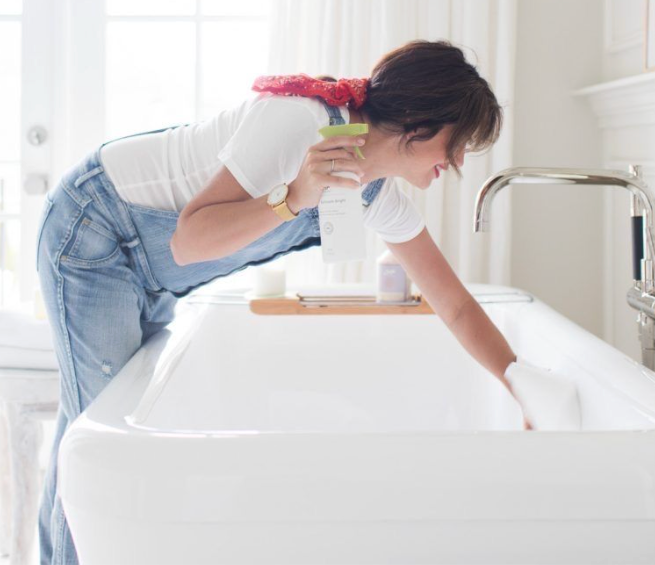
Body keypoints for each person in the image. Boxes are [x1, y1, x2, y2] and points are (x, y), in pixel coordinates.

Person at [35, 38, 527, 565]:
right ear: (419, 123)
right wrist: (292, 197)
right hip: (95, 225)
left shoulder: (375, 192)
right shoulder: (297, 124)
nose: (456, 162)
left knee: (98, 426)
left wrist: (523, 387)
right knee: (99, 441)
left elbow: (454, 305)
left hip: (151, 274)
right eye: (457, 145)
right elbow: (189, 242)